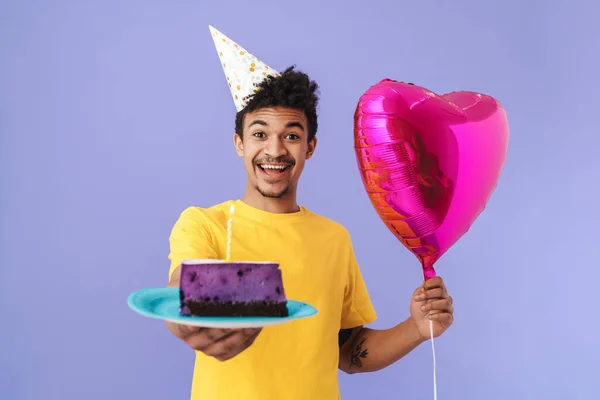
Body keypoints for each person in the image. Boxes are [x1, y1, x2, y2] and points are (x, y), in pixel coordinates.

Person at [164, 26, 454, 400]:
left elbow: (348, 352)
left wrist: (417, 328)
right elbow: (179, 293)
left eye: (291, 135)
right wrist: (187, 318)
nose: (275, 149)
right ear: (239, 143)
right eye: (259, 133)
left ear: (310, 146)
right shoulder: (204, 223)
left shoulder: (333, 238)